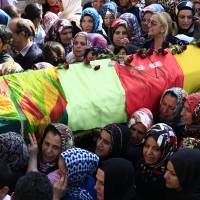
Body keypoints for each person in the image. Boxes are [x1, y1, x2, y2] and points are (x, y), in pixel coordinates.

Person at [135, 123, 177, 200]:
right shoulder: (140, 164)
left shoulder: (170, 176)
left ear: (166, 150)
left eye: (156, 149)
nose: (148, 152)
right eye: (146, 146)